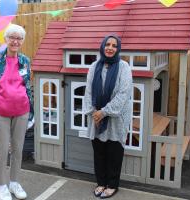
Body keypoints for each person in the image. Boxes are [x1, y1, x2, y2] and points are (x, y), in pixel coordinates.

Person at [0, 24, 34, 200]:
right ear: (6, 39)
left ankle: (14, 182)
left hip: (22, 111)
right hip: (0, 112)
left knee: (18, 150)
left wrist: (31, 114)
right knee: (2, 151)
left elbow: (28, 87)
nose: (15, 41)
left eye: (19, 38)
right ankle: (1, 185)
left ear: (22, 41)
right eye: (12, 37)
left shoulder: (25, 61)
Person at [84, 35, 132, 199]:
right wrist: (93, 113)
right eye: (108, 45)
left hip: (116, 119)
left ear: (118, 48)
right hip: (96, 118)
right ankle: (101, 183)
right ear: (102, 46)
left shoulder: (124, 67)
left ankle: (112, 185)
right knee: (99, 152)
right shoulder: (93, 67)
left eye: (114, 45)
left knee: (114, 152)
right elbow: (88, 92)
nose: (110, 48)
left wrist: (103, 112)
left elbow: (123, 94)